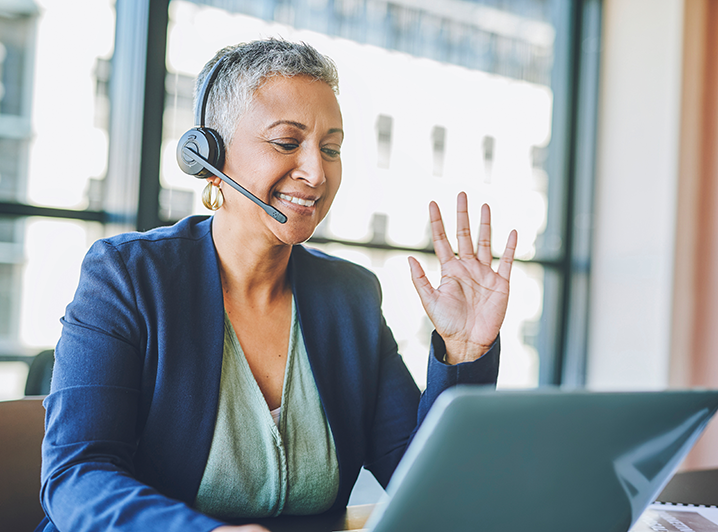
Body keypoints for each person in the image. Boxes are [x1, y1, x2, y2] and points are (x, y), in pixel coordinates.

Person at [36, 39, 518, 532]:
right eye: (287, 143)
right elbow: (77, 474)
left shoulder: (349, 296)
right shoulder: (128, 277)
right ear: (209, 157)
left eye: (331, 149)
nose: (316, 171)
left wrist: (462, 353)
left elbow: (425, 478)